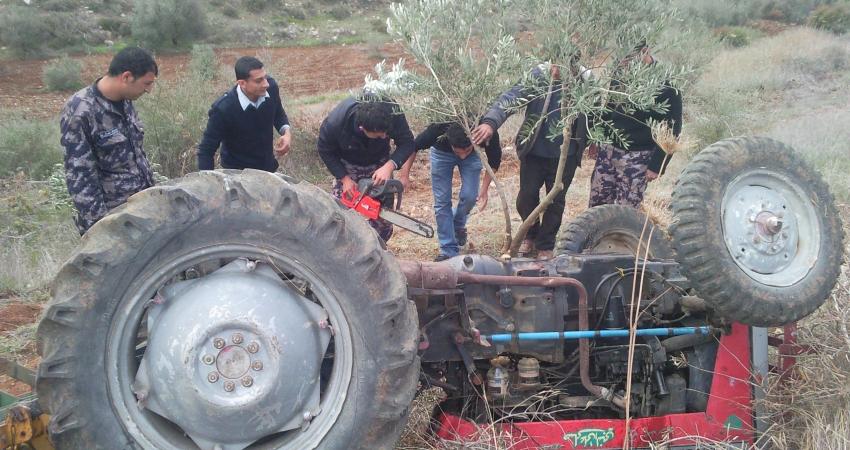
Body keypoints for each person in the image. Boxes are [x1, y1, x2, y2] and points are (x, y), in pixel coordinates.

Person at [472, 62, 588, 259]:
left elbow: (592, 114)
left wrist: (590, 140)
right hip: (534, 151)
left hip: (566, 155)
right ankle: (531, 233)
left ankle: (546, 244)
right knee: (526, 197)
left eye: (562, 65)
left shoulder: (583, 79)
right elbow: (510, 98)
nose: (556, 70)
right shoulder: (537, 75)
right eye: (555, 64)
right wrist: (491, 122)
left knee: (556, 201)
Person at [60, 47, 158, 235]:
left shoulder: (126, 100)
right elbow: (80, 175)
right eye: (147, 83)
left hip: (142, 210)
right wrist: (101, 229)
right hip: (114, 220)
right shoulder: (80, 110)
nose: (149, 90)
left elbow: (136, 155)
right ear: (127, 77)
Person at [588, 42, 682, 208]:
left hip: (639, 157)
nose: (622, 62)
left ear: (644, 53)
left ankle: (620, 235)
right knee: (597, 206)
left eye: (627, 57)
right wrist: (597, 138)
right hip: (608, 151)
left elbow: (673, 129)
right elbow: (609, 108)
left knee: (626, 211)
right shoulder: (620, 73)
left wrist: (657, 165)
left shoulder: (666, 84)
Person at [317, 94, 415, 242]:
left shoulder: (392, 111)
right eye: (378, 135)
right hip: (347, 164)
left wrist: (390, 165)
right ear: (362, 128)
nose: (384, 137)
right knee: (339, 216)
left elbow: (407, 142)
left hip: (380, 162)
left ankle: (377, 250)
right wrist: (344, 178)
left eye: (385, 133)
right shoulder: (336, 123)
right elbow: (324, 150)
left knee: (383, 222)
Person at [414, 122, 502, 261]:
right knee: (442, 202)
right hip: (441, 154)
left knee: (470, 197)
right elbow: (414, 146)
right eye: (458, 152)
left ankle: (457, 225)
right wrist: (404, 175)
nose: (462, 156)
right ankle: (448, 250)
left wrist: (484, 190)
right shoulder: (437, 130)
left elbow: (494, 161)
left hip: (474, 156)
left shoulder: (485, 132)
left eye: (465, 150)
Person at [197, 56, 292, 171]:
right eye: (259, 80)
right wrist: (210, 185)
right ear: (242, 83)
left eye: (265, 77)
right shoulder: (223, 109)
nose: (266, 84)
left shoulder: (271, 88)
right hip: (237, 176)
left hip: (268, 170)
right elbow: (206, 151)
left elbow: (278, 113)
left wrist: (286, 134)